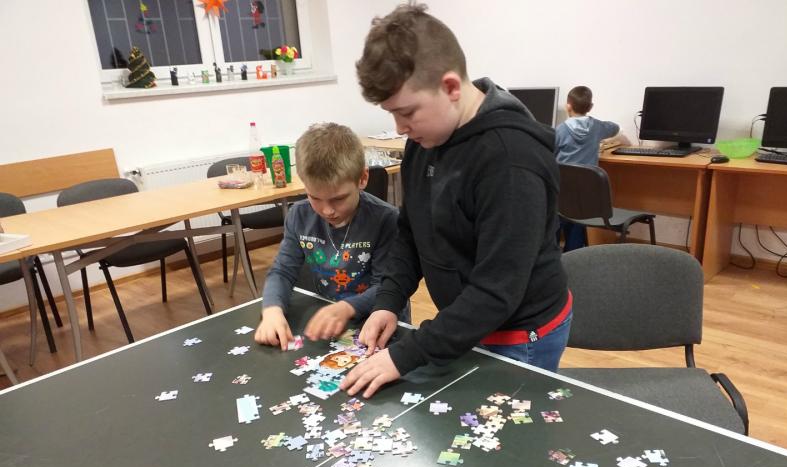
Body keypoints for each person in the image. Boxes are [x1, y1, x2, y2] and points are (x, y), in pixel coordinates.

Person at [342, 3, 571, 399]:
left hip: (519, 335)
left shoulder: (511, 162)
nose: (400, 127)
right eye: (391, 114)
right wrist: (387, 302)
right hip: (464, 323)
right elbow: (410, 234)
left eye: (406, 112)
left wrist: (405, 355)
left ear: (450, 87)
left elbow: (496, 291)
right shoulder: (425, 140)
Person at [254, 122, 403, 349]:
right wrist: (272, 310)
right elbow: (282, 271)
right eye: (315, 197)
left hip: (380, 322)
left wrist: (347, 308)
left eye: (338, 199)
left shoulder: (386, 219)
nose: (327, 210)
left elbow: (388, 286)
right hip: (330, 321)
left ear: (362, 178)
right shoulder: (299, 215)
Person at [554, 86, 621, 251]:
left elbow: (551, 153)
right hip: (586, 193)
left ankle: (552, 252)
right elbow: (615, 127)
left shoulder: (560, 130)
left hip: (562, 191)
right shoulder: (597, 127)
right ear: (590, 107)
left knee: (557, 217)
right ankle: (573, 254)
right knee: (579, 222)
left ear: (568, 106)